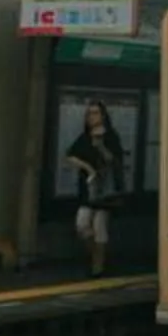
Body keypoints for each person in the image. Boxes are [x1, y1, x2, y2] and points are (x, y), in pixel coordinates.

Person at [65, 101, 128, 277]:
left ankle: (97, 266)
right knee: (82, 224)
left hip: (105, 188)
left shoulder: (111, 136)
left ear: (103, 116)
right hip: (88, 187)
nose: (92, 117)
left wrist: (100, 146)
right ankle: (95, 255)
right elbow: (70, 155)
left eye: (96, 113)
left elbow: (114, 160)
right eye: (89, 113)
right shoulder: (84, 137)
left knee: (100, 226)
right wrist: (87, 168)